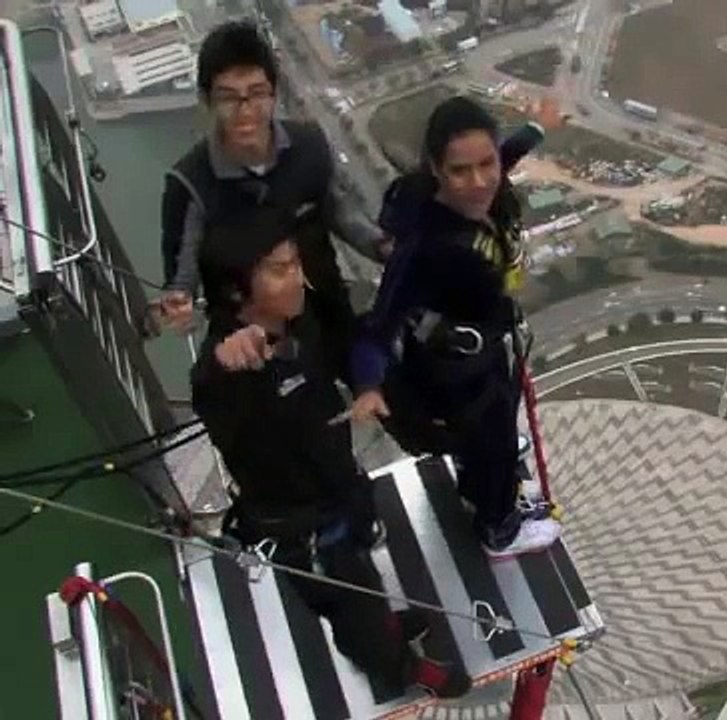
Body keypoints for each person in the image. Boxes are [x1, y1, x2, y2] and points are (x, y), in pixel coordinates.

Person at [190, 205, 471, 700]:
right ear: (237, 292)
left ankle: (382, 627)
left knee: (362, 581)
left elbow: (346, 349)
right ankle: (398, 669)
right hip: (305, 528)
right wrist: (221, 360)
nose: (298, 279)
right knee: (351, 606)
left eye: (296, 263)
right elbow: (211, 388)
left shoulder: (300, 324)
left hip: (341, 489)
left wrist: (368, 389)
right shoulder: (231, 374)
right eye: (281, 270)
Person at [349, 96, 562, 558]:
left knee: (494, 432)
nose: (479, 181)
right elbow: (379, 325)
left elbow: (504, 155)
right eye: (460, 171)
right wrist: (368, 385)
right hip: (458, 372)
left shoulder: (482, 188)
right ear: (436, 170)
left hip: (488, 348)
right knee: (492, 443)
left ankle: (482, 470)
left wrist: (537, 128)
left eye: (486, 164)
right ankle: (499, 529)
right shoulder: (426, 245)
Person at [159, 20, 389, 378]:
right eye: (229, 98)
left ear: (274, 93)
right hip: (255, 350)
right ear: (206, 101)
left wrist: (389, 248)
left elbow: (345, 216)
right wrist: (178, 308)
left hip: (330, 318)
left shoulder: (310, 146)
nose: (245, 109)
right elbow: (180, 281)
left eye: (257, 93)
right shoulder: (189, 185)